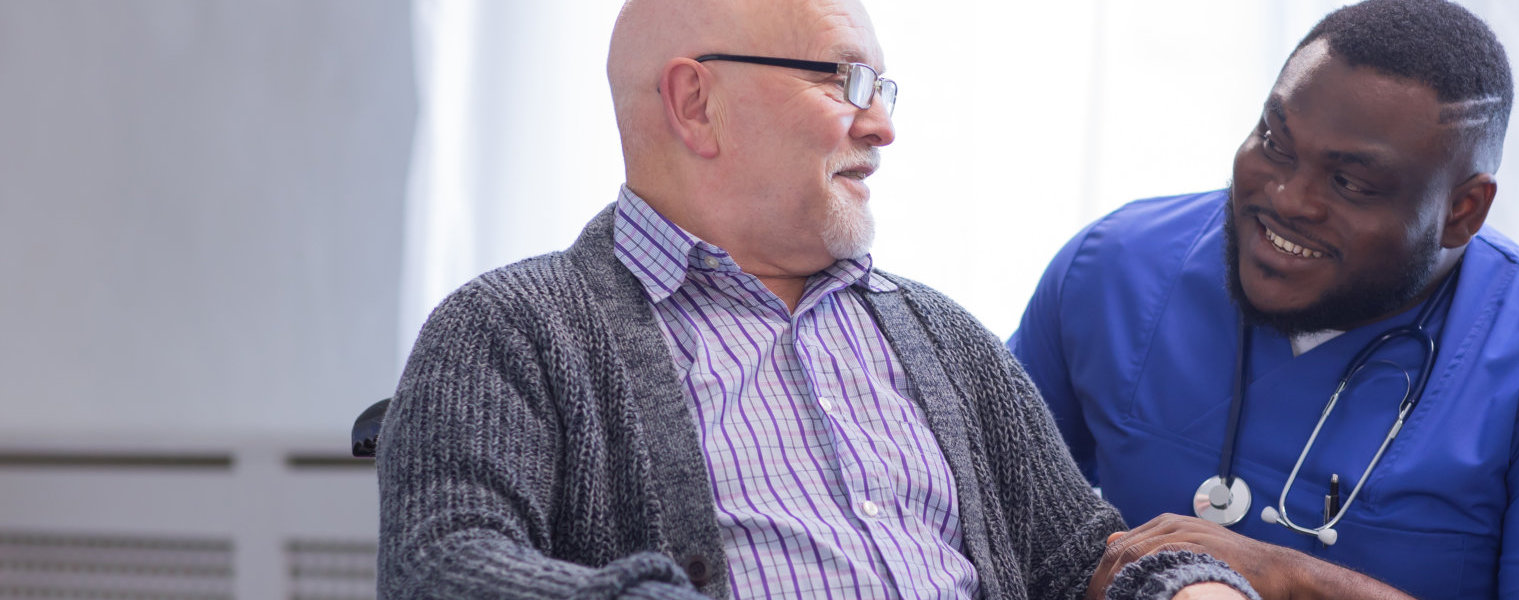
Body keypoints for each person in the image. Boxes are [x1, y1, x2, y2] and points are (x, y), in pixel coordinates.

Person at [376, 0, 1258, 598]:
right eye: (843, 81)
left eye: (882, 89)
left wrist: (1186, 589)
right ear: (695, 102)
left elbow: (1079, 561)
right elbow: (445, 569)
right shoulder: (510, 329)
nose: (882, 125)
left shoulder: (943, 336)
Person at [1011, 1, 1519, 599]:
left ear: (1463, 210)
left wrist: (1292, 579)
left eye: (1349, 183)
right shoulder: (1114, 270)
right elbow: (977, 524)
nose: (1286, 199)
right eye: (1274, 142)